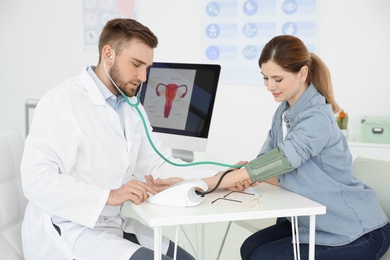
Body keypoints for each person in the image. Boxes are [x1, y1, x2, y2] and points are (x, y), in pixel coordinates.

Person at [20, 18, 248, 260]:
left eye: (147, 67)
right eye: (137, 64)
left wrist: (223, 176)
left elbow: (161, 166)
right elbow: (36, 181)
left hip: (112, 223)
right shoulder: (62, 103)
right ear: (108, 54)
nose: (144, 77)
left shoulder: (130, 107)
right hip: (68, 229)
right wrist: (111, 195)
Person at [155, 35, 390, 259]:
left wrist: (201, 184)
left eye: (277, 79)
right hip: (314, 221)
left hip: (357, 231)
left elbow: (269, 166)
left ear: (302, 73)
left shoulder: (317, 118)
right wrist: (234, 177)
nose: (269, 86)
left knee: (263, 257)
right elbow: (262, 165)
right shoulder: (284, 113)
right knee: (250, 248)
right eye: (265, 78)